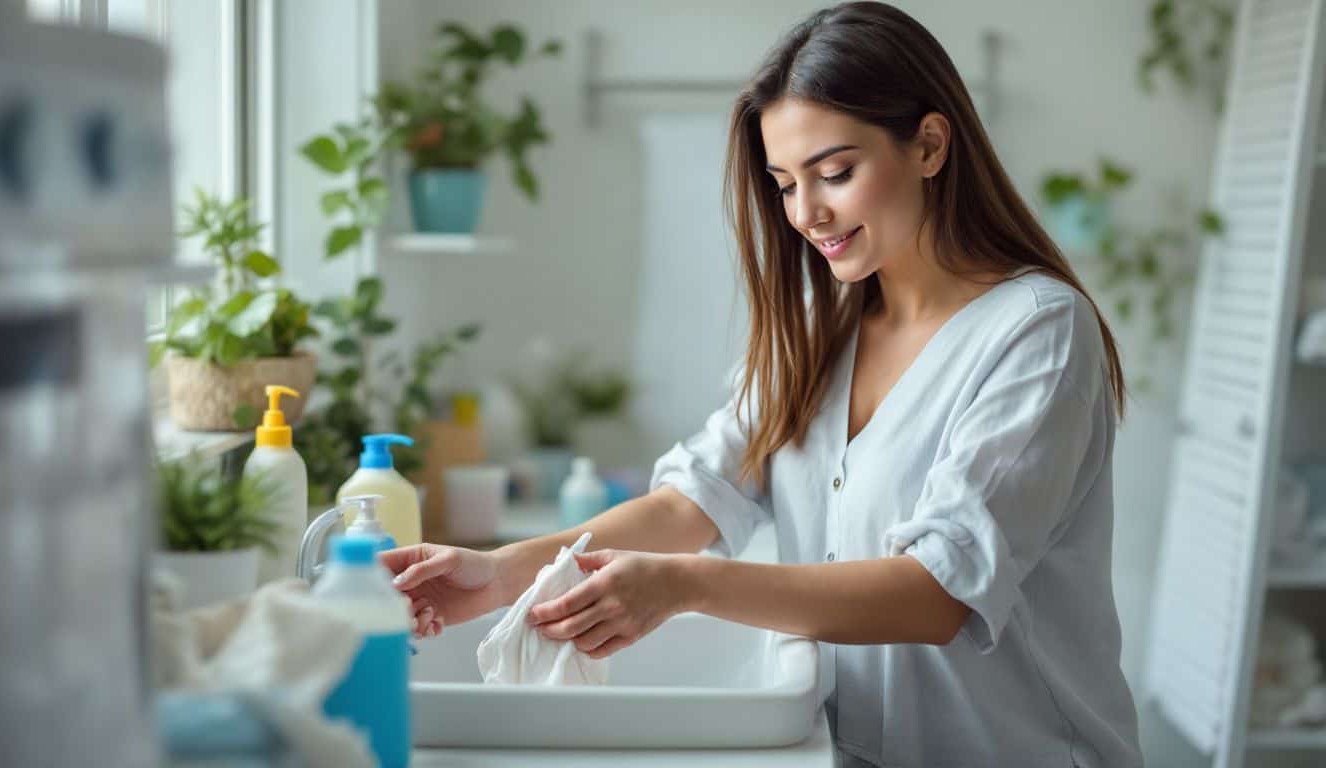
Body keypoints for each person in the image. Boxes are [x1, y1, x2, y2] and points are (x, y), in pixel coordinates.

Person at [380, 3, 1142, 765]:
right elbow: (695, 499)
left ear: (930, 146)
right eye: (784, 184)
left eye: (835, 173)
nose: (806, 213)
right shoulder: (819, 319)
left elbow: (936, 593)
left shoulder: (1037, 331)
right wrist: (498, 576)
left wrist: (688, 587)